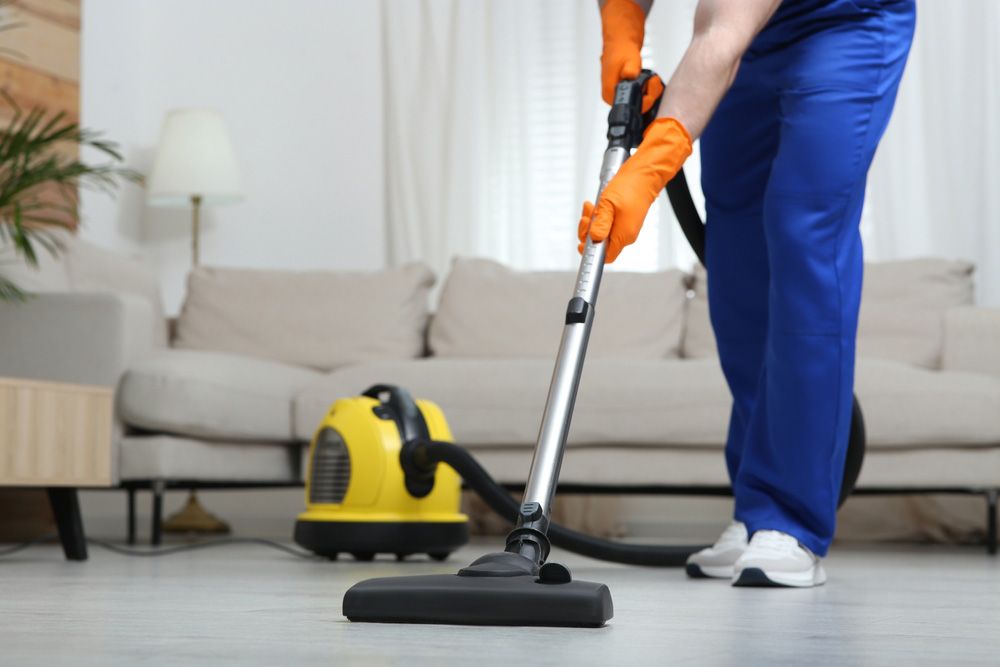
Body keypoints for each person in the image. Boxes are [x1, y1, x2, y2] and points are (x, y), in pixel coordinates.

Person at [585, 0, 915, 586]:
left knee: (801, 228)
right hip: (752, 35)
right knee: (736, 252)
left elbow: (721, 35)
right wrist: (621, 29)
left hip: (846, 24)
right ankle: (756, 503)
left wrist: (649, 168)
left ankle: (791, 520)